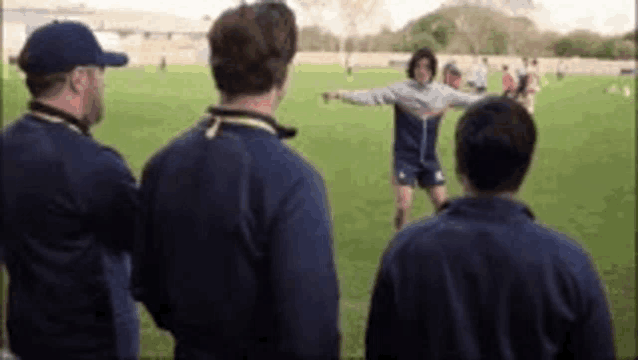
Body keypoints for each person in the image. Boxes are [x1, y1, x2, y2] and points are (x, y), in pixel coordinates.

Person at [131, 3, 340, 360]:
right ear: (283, 75)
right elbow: (312, 329)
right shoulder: (294, 182)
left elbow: (147, 286)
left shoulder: (162, 164)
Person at [365, 96, 616, 360]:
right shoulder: (571, 267)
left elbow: (380, 350)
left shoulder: (405, 253)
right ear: (527, 163)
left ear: (459, 161)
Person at [0, 20, 139, 360]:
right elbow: (144, 242)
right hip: (90, 344)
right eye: (100, 73)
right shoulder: (95, 165)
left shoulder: (6, 145)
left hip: (26, 334)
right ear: (80, 79)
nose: (102, 85)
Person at [322, 47, 491, 231]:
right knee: (403, 206)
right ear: (412, 69)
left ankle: (446, 244)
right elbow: (371, 96)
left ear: (433, 70)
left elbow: (471, 100)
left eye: (427, 67)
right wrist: (340, 94)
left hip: (429, 159)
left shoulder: (443, 93)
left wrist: (506, 102)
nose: (422, 71)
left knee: (443, 207)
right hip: (405, 158)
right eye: (418, 66)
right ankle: (399, 242)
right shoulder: (401, 90)